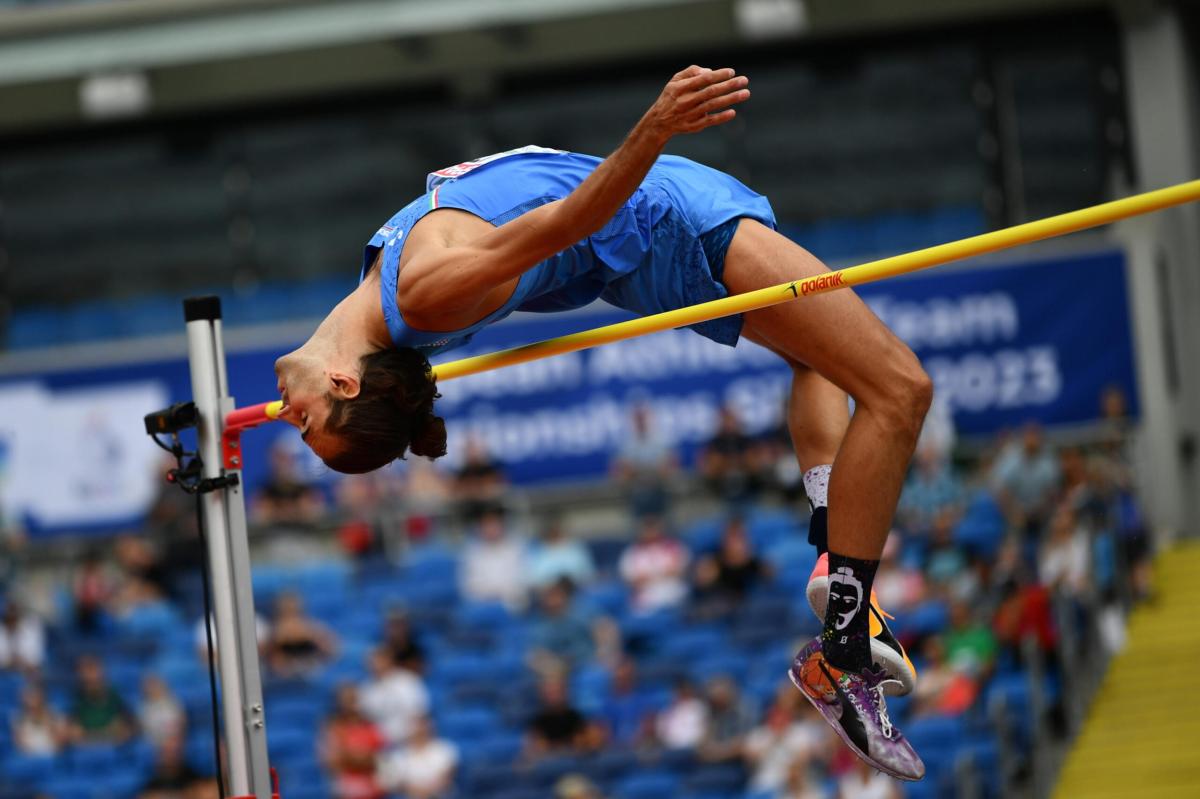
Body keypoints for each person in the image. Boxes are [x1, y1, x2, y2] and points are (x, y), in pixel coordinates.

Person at [272, 65, 932, 778]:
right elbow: (569, 221)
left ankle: (833, 550)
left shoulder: (380, 297)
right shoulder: (422, 295)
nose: (289, 417)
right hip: (663, 222)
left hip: (655, 218)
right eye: (306, 424)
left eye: (304, 430)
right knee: (900, 388)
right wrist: (655, 124)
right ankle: (842, 643)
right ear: (343, 381)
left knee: (821, 364)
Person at [320, 683, 387, 799]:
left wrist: (350, 757)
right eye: (345, 700)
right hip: (345, 790)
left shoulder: (371, 726)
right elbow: (331, 760)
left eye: (353, 699)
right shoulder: (334, 727)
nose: (350, 704)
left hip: (373, 791)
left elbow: (381, 759)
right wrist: (360, 757)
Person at [459, 506, 528, 611]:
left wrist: (502, 593)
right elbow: (468, 586)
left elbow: (523, 580)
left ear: (502, 526)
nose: (490, 529)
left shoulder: (516, 549)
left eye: (494, 525)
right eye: (486, 526)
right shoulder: (472, 554)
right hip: (482, 605)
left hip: (511, 605)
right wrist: (490, 594)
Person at [358, 648, 430, 746]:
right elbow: (365, 718)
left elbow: (419, 713)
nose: (375, 665)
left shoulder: (407, 681)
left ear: (389, 661)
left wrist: (413, 739)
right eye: (372, 662)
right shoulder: (366, 687)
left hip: (406, 741)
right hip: (378, 744)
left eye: (379, 661)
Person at [377, 715, 458, 799]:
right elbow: (391, 781)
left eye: (422, 725)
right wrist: (413, 791)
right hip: (407, 795)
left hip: (437, 795)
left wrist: (427, 792)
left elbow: (447, 777)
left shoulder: (445, 748)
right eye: (415, 726)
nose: (419, 729)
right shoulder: (395, 754)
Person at [265, 592, 337, 678]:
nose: (291, 617)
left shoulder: (315, 629)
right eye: (286, 612)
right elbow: (276, 667)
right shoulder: (269, 633)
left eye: (294, 611)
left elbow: (333, 652)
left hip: (310, 675)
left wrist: (311, 636)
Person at [67, 655, 134, 744]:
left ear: (101, 672)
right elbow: (72, 731)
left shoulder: (115, 697)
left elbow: (132, 727)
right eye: (83, 672)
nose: (88, 677)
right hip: (87, 751)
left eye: (91, 670)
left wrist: (125, 730)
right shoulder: (76, 700)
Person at [12, 685, 67, 755]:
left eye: (33, 696)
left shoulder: (56, 716)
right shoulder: (18, 718)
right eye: (27, 697)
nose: (30, 701)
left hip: (52, 757)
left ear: (42, 698)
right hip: (30, 758)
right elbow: (20, 745)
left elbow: (61, 744)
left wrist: (50, 723)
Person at [0, 601, 45, 673]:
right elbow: (3, 660)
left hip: (25, 672)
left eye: (15, 617)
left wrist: (22, 661)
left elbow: (35, 660)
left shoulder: (30, 631)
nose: (12, 621)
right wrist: (11, 661)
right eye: (9, 618)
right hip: (4, 673)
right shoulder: (2, 631)